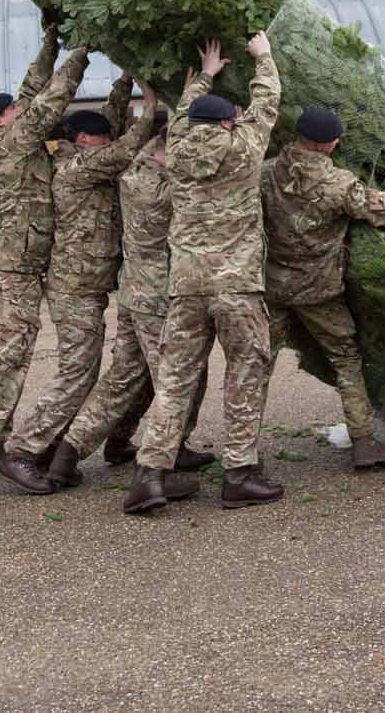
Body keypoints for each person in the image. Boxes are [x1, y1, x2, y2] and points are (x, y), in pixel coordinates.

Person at [124, 32, 282, 514]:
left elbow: (186, 115)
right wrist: (264, 56)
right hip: (236, 286)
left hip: (186, 286)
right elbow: (268, 102)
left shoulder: (178, 150)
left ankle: (150, 475)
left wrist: (205, 76)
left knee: (174, 381)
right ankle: (239, 474)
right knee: (246, 373)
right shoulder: (244, 149)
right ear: (230, 123)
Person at [0, 18, 89, 497]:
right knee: (7, 356)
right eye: (13, 108)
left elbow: (32, 87)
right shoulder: (13, 140)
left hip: (24, 267)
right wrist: (81, 49)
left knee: (16, 356)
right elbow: (49, 99)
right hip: (13, 271)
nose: (21, 106)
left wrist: (50, 41)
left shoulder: (11, 134)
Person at [0, 75, 159, 493]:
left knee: (85, 375)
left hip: (87, 284)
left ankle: (51, 448)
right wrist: (151, 106)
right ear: (86, 140)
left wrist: (125, 82)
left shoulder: (81, 157)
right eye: (103, 137)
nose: (109, 141)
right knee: (75, 374)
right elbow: (125, 148)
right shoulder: (75, 168)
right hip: (75, 289)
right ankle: (23, 451)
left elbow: (111, 120)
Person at [47, 112, 215, 487]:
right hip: (157, 298)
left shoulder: (133, 172)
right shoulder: (164, 190)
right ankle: (162, 464)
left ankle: (68, 453)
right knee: (179, 380)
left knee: (122, 378)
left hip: (133, 294)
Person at [260, 105, 385, 470]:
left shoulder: (266, 172)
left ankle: (241, 456)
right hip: (319, 291)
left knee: (256, 368)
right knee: (347, 360)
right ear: (330, 145)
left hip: (272, 288)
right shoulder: (338, 184)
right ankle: (364, 443)